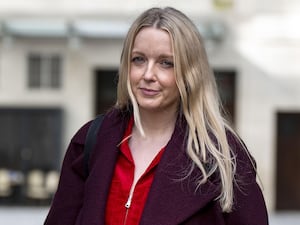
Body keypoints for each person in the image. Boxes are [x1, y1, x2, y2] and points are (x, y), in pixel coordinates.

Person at [44, 7, 269, 225]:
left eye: (166, 63)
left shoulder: (223, 156)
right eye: (139, 59)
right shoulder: (90, 141)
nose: (148, 74)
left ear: (190, 72)